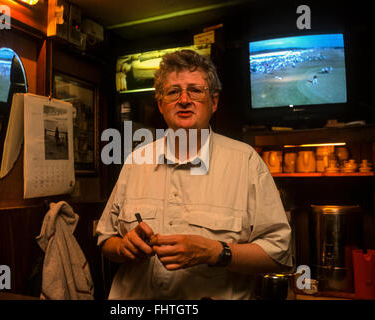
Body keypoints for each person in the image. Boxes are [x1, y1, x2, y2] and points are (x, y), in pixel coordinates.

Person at [96, 50, 293, 299]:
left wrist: (215, 252)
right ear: (160, 104)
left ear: (214, 102)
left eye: (196, 90)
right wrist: (124, 247)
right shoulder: (136, 160)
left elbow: (280, 255)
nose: (184, 100)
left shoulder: (246, 162)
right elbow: (106, 240)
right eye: (173, 91)